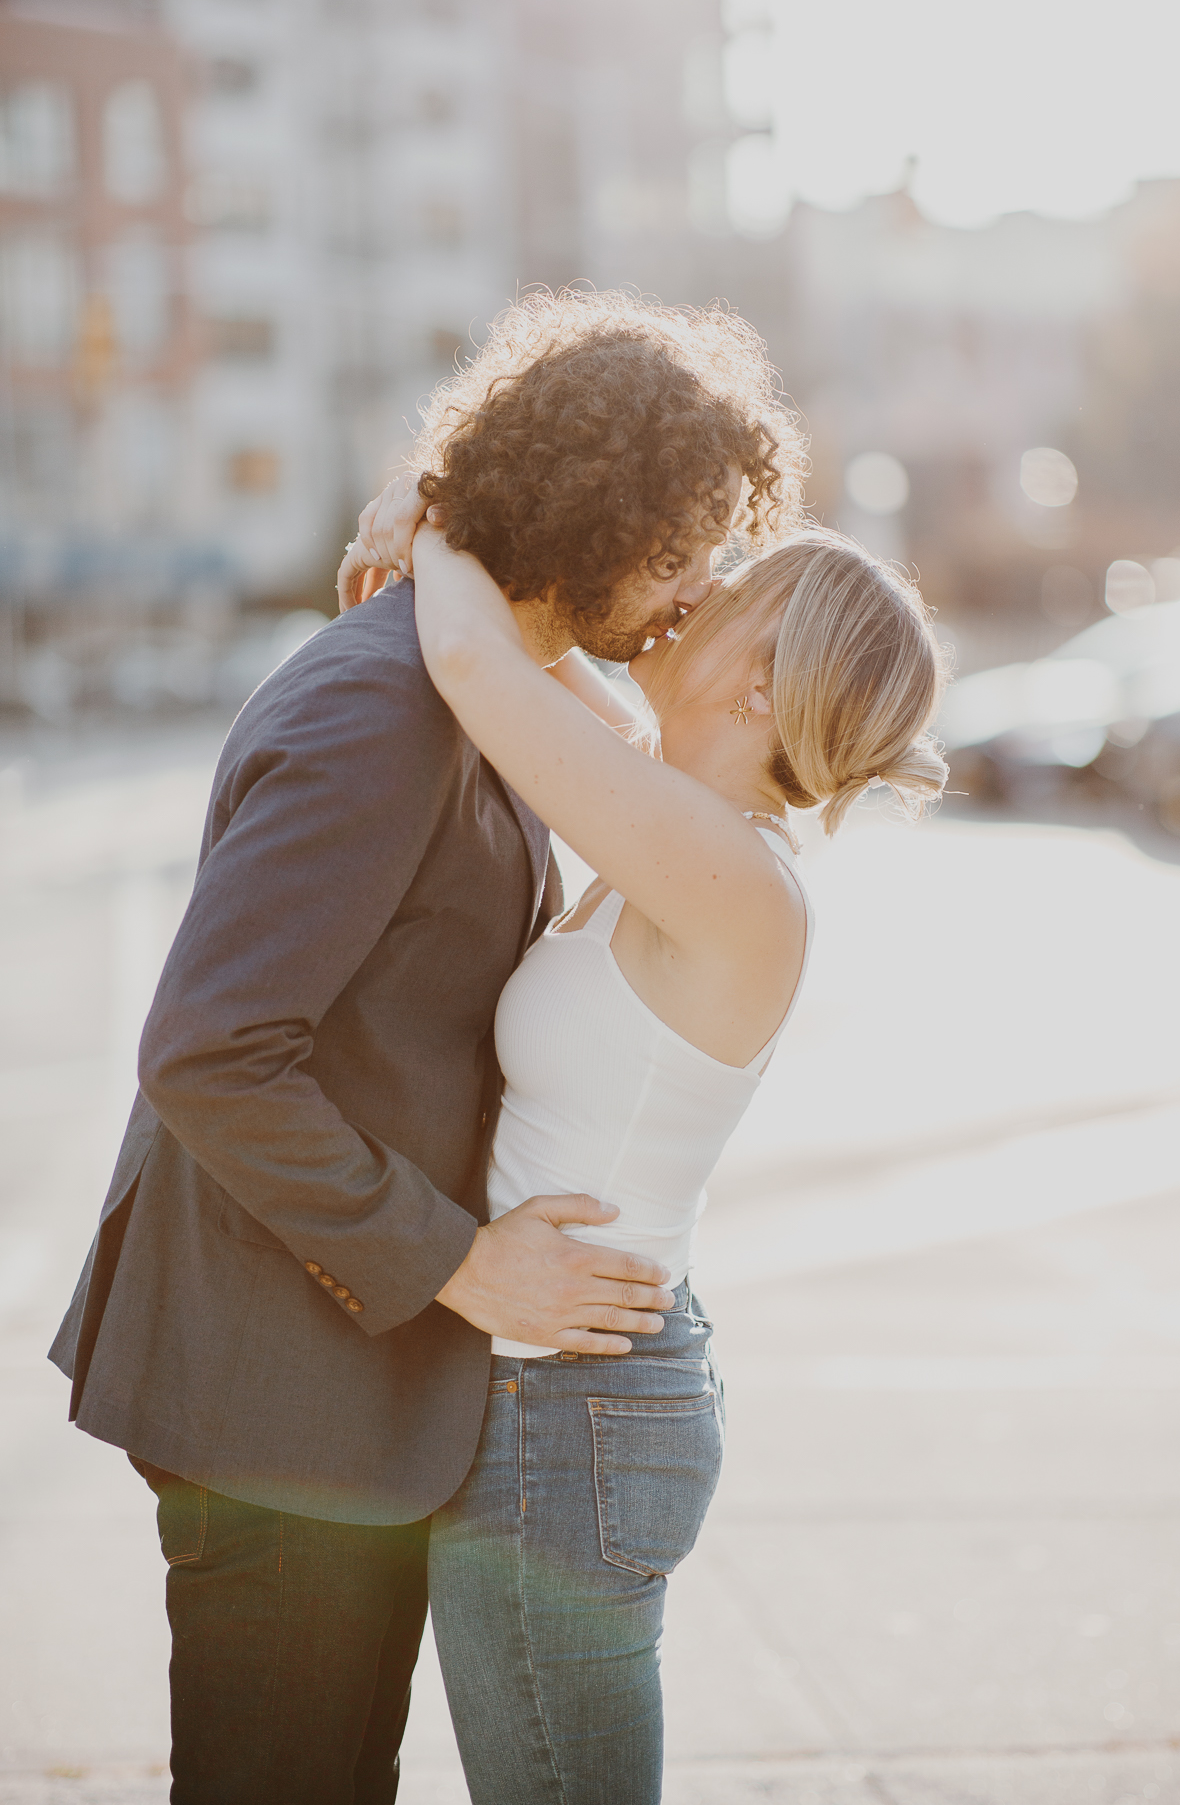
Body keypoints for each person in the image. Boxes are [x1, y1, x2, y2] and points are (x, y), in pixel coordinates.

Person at [48, 289, 806, 1805]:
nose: (689, 589)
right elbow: (209, 1051)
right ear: (588, 521)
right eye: (675, 548)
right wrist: (458, 1262)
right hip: (278, 1405)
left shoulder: (476, 681)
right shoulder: (382, 709)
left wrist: (431, 521)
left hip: (342, 1397)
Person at [338, 498, 948, 1803]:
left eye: (735, 588)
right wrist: (449, 539)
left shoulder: (726, 877)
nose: (697, 590)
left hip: (568, 1418)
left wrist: (440, 516)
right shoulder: (671, 815)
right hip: (562, 1398)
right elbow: (541, 670)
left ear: (764, 680)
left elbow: (475, 668)